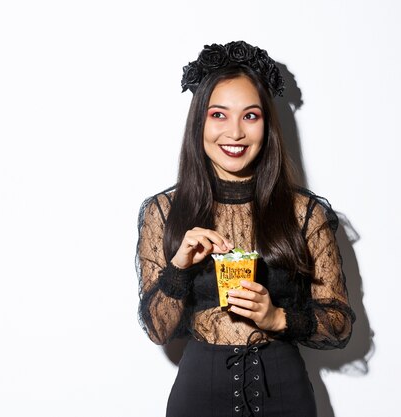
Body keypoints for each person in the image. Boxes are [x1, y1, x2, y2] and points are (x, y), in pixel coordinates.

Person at [136, 40, 355, 417]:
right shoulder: (164, 211)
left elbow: (338, 322)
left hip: (286, 396)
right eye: (218, 115)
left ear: (266, 125)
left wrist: (278, 318)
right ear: (198, 122)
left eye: (250, 116)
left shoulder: (305, 212)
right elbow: (159, 330)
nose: (234, 132)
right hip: (198, 397)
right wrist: (179, 266)